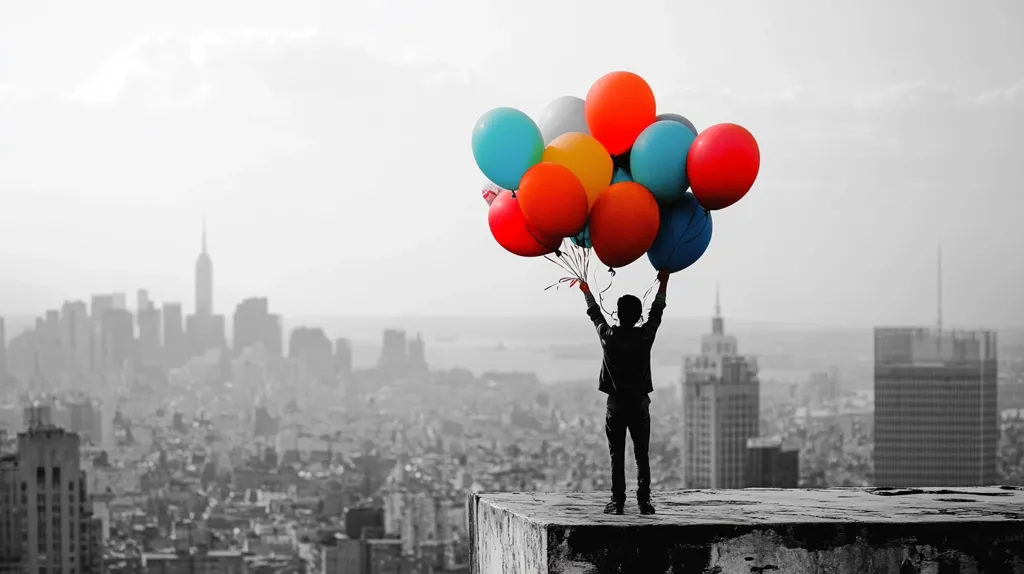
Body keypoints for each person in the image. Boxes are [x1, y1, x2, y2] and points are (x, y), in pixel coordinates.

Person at [579, 270, 669, 515]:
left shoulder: (608, 336)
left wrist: (586, 292)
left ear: (618, 314)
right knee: (642, 455)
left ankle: (617, 502)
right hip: (639, 404)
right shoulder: (644, 336)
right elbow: (657, 313)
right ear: (639, 315)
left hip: (616, 405)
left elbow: (595, 315)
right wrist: (664, 283)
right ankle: (644, 502)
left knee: (616, 455)